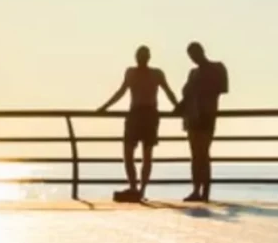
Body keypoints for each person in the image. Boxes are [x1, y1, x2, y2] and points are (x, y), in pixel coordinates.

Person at [97, 45, 179, 202]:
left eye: (143, 55)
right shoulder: (134, 73)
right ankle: (135, 187)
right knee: (132, 153)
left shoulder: (155, 73)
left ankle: (140, 189)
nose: (141, 58)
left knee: (144, 154)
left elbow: (168, 92)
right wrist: (105, 107)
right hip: (139, 114)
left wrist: (178, 107)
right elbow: (121, 92)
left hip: (146, 114)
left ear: (147, 57)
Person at [178, 42, 229, 203]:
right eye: (191, 56)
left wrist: (200, 93)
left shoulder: (217, 68)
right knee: (195, 154)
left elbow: (222, 88)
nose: (193, 59)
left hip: (206, 115)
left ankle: (204, 190)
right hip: (192, 116)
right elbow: (186, 95)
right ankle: (196, 189)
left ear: (201, 52)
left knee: (203, 153)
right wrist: (179, 106)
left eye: (194, 54)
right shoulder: (193, 73)